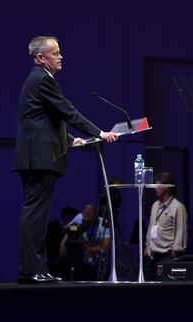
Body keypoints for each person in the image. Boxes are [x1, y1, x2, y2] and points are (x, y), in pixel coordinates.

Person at [13, 36, 118, 284]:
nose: (61, 57)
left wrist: (71, 140)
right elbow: (67, 111)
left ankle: (37, 268)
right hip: (38, 158)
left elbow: (48, 120)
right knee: (35, 216)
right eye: (55, 53)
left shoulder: (39, 81)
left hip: (38, 156)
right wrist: (99, 133)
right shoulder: (41, 80)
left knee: (37, 216)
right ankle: (30, 270)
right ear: (41, 58)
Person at [144, 172, 188, 280]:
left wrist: (175, 251)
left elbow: (181, 230)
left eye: (158, 186)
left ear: (167, 188)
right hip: (151, 254)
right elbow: (151, 226)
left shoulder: (177, 207)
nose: (155, 189)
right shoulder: (155, 205)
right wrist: (147, 245)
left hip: (166, 255)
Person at [59, 204, 111, 281]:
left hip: (96, 258)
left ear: (95, 214)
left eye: (90, 212)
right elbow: (66, 228)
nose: (87, 214)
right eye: (85, 212)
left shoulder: (102, 223)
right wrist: (63, 243)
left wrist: (88, 249)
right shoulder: (79, 217)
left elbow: (106, 245)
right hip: (82, 258)